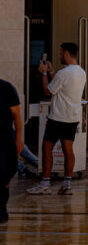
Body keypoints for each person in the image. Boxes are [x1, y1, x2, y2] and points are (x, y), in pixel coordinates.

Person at [28, 42, 86, 196]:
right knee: (68, 150)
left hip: (58, 117)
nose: (59, 56)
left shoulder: (64, 73)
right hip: (72, 117)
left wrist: (44, 74)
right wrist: (52, 71)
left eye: (61, 53)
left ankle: (45, 183)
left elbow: (48, 90)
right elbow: (60, 86)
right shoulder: (81, 72)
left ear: (66, 53)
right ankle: (67, 184)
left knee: (47, 148)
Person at [0, 78, 23, 223]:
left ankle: (1, 209)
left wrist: (19, 138)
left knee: (5, 172)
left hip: (4, 139)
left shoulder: (7, 88)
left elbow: (17, 115)